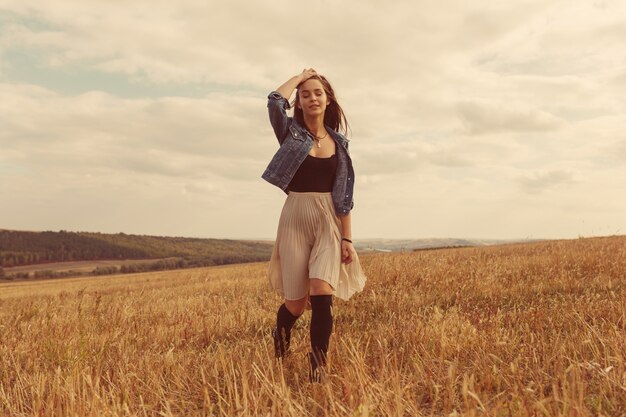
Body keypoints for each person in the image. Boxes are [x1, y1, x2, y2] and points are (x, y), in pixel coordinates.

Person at [261, 68, 367, 383]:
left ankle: (318, 368)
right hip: (295, 216)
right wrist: (300, 76)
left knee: (322, 292)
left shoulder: (340, 144)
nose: (312, 98)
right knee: (295, 303)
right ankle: (280, 353)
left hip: (329, 221)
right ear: (300, 102)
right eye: (305, 94)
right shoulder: (289, 132)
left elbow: (344, 197)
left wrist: (347, 239)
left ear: (328, 98)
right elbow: (274, 101)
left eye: (318, 92)